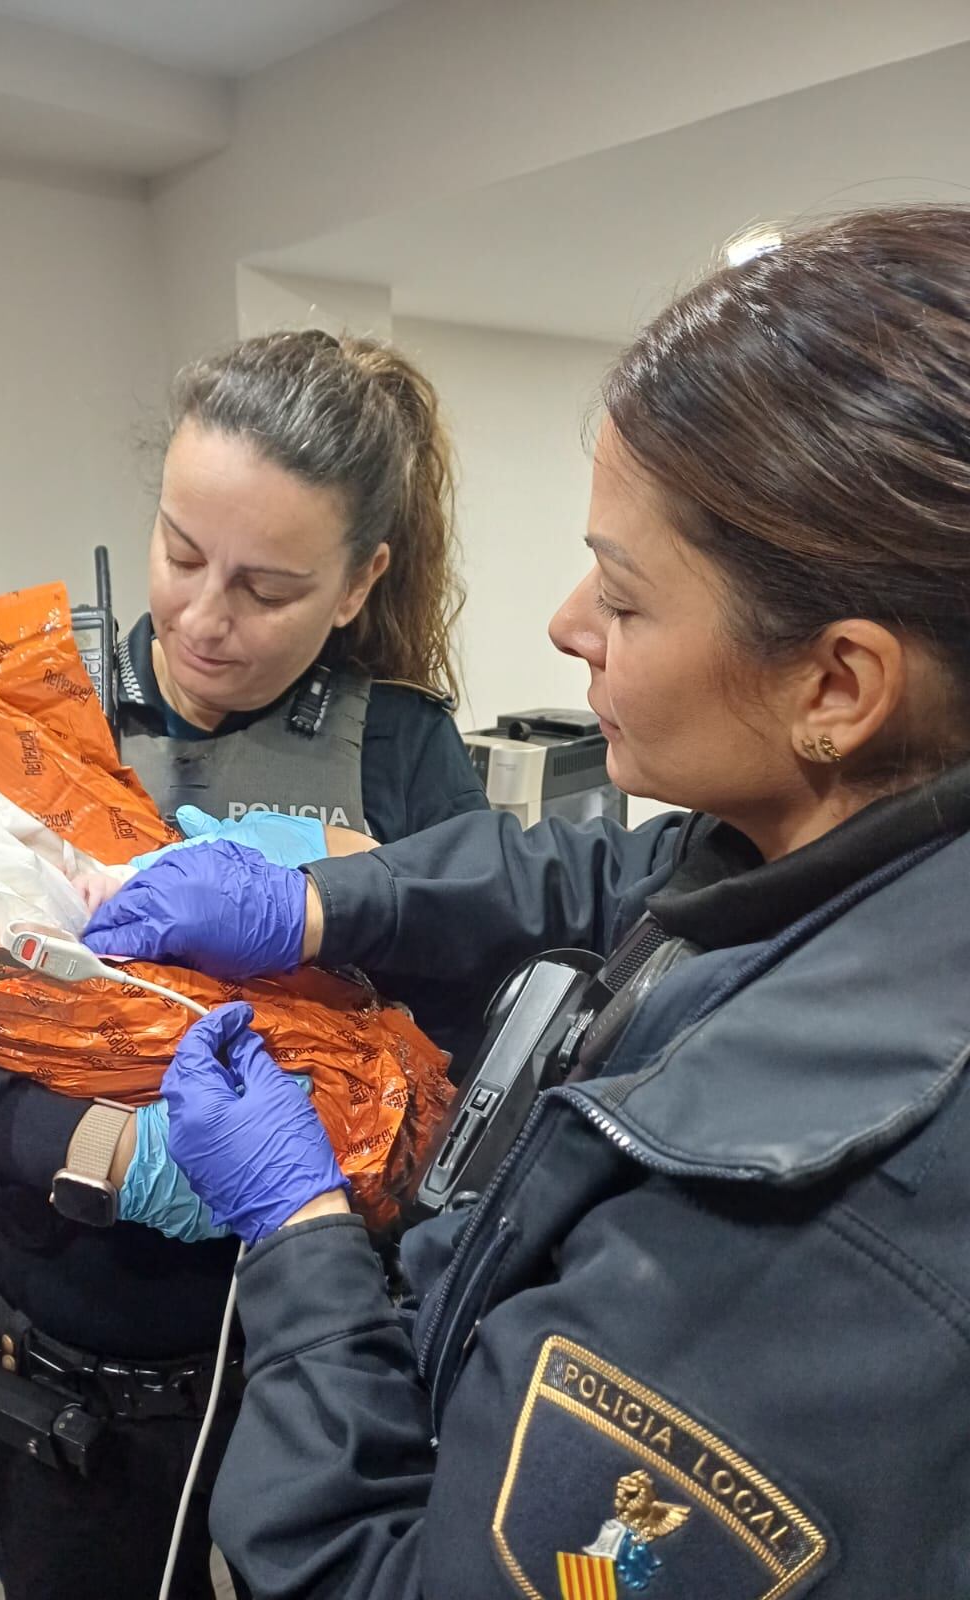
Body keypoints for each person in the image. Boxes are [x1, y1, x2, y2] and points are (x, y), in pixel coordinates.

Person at [81, 207, 970, 1598]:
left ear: (837, 689)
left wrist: (301, 1236)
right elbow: (605, 876)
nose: (564, 627)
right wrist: (319, 908)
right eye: (182, 556)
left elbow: (376, 1576)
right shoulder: (835, 854)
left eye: (621, 594)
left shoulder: (798, 1220)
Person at [0, 330, 486, 1600]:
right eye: (181, 553)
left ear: (360, 581)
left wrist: (356, 909)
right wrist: (76, 1142)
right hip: (61, 1383)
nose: (205, 621)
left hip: (308, 1365)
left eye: (268, 589)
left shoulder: (408, 758)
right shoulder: (23, 716)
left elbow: (458, 1085)